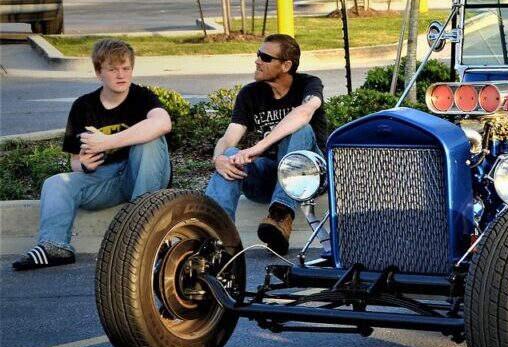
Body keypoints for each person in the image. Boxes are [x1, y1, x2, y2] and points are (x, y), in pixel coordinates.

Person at [13, 39, 172, 271]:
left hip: (144, 174)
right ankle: (54, 247)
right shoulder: (83, 106)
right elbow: (75, 161)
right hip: (108, 180)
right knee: (56, 183)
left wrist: (107, 142)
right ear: (99, 72)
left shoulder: (141, 97)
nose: (121, 75)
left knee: (149, 141)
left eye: (126, 68)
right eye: (113, 69)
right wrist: (84, 165)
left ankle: (144, 236)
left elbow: (163, 123)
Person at [205, 33, 327, 256]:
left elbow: (304, 112)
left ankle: (281, 215)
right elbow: (229, 137)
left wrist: (258, 147)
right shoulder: (250, 94)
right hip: (269, 177)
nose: (257, 60)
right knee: (230, 153)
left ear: (286, 65)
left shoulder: (308, 85)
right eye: (258, 54)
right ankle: (217, 234)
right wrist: (219, 159)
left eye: (265, 57)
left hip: (310, 176)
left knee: (300, 128)